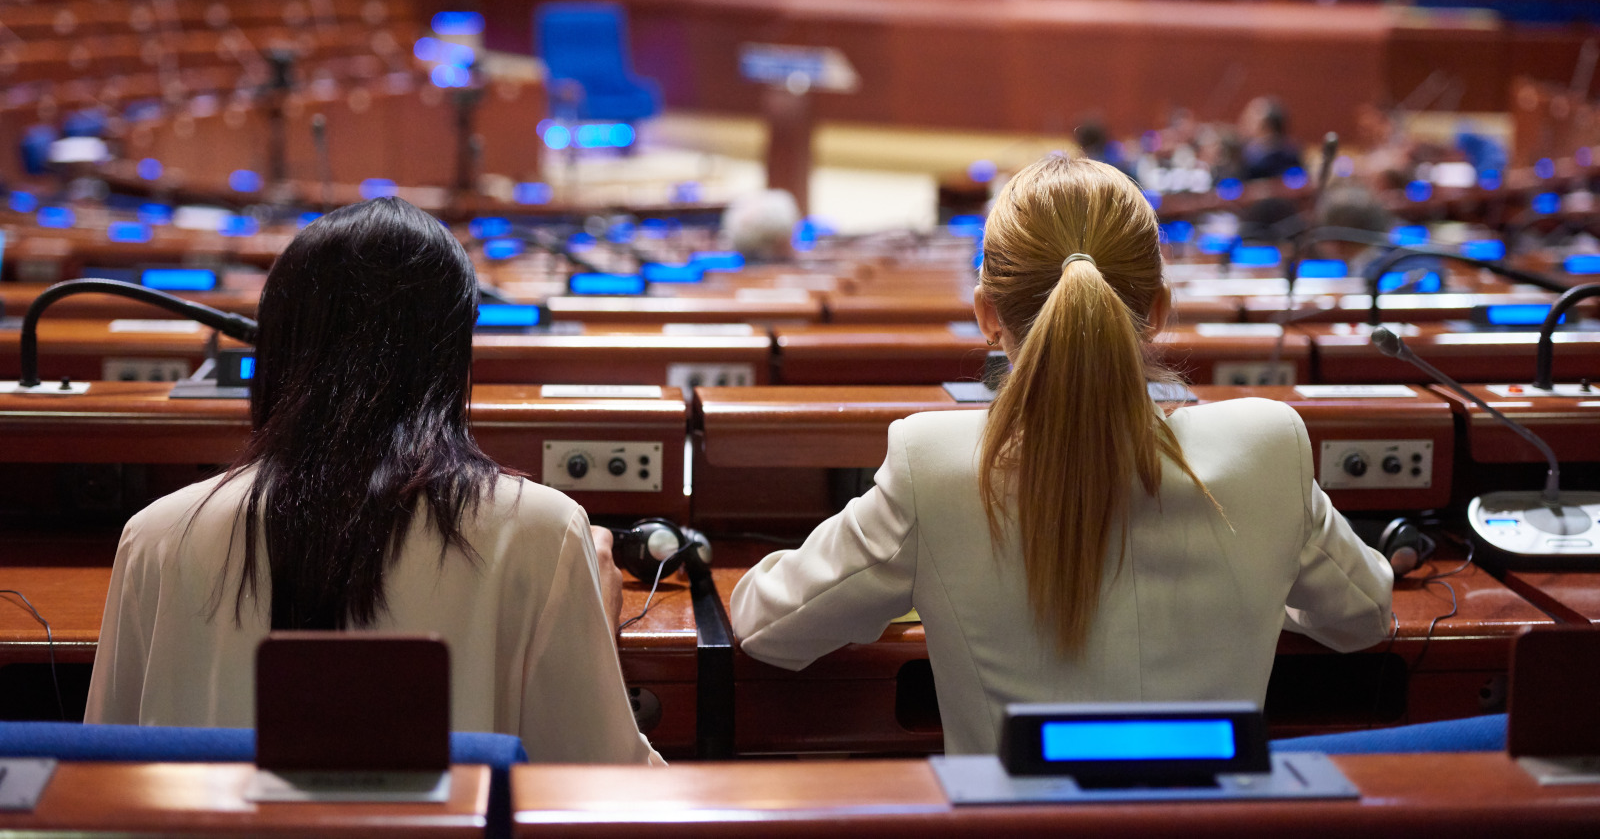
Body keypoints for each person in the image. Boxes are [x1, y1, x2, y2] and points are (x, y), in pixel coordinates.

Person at [730, 156, 1393, 755]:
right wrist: (1267, 582)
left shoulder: (932, 460)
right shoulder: (1270, 445)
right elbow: (1365, 619)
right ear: (1158, 311)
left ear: (989, 318)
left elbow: (769, 629)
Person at [85, 197, 661, 764]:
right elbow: (597, 784)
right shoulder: (544, 531)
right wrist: (598, 634)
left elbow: (98, 787)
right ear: (454, 356)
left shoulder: (156, 535)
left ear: (279, 350)